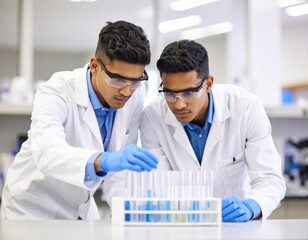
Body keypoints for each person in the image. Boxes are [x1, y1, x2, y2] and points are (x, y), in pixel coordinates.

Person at [1, 20, 158, 220]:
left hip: (82, 206)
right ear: (94, 66)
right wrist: (104, 160)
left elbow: (119, 172)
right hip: (33, 206)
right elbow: (46, 152)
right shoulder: (57, 90)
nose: (127, 90)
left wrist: (126, 211)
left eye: (135, 80)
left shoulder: (135, 94)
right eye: (117, 79)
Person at [139, 40, 286, 222]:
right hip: (183, 224)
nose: (178, 104)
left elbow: (270, 179)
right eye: (169, 93)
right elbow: (158, 184)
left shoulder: (245, 107)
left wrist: (252, 206)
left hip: (237, 226)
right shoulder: (153, 117)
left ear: (208, 84)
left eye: (189, 93)